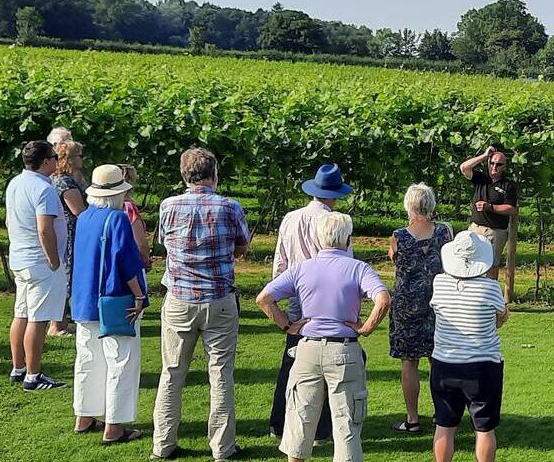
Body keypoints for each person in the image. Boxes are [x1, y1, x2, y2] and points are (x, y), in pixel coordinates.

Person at [256, 211, 391, 462]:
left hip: (307, 349)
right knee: (347, 424)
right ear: (348, 240)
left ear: (319, 239)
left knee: (299, 421)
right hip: (344, 350)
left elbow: (264, 299)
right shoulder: (358, 268)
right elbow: (383, 299)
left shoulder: (302, 268)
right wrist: (366, 328)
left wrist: (288, 325)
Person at [152, 147, 251, 461]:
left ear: (185, 175)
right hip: (219, 298)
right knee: (221, 375)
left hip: (180, 298)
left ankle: (163, 445)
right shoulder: (230, 207)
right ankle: (222, 448)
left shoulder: (168, 206)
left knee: (171, 373)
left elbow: (165, 244)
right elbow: (242, 246)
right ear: (214, 175)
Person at [269, 163, 354, 444]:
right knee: (330, 367)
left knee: (291, 363)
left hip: (295, 295)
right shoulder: (338, 223)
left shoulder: (290, 218)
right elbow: (344, 265)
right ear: (335, 193)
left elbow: (280, 262)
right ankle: (320, 430)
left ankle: (280, 423)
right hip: (326, 300)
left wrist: (281, 293)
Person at [70, 164, 149, 444]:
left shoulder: (84, 217)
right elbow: (126, 263)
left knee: (88, 359)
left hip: (84, 298)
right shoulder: (117, 220)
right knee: (121, 361)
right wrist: (139, 296)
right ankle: (114, 426)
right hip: (115, 298)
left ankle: (84, 415)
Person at [431, 231, 509, 462]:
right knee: (484, 428)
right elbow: (498, 318)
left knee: (444, 425)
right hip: (482, 366)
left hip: (445, 364)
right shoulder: (491, 287)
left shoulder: (439, 282)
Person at [388, 183, 453, 433]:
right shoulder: (445, 234)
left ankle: (412, 418)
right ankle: (441, 414)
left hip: (407, 305)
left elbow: (394, 258)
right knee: (437, 359)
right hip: (439, 302)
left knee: (409, 362)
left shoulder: (398, 235)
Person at [5, 140, 68, 391]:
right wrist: (53, 259)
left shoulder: (15, 183)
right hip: (40, 262)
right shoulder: (44, 190)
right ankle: (33, 374)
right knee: (38, 318)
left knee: (21, 313)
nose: (57, 160)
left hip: (20, 257)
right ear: (45, 161)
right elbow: (45, 229)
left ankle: (18, 367)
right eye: (54, 156)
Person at [459, 146, 519, 280]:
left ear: (504, 167)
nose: (494, 167)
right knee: (469, 261)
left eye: (499, 164)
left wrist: (490, 207)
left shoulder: (508, 185)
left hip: (495, 232)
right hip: (475, 228)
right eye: (492, 163)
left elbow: (511, 209)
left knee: (491, 265)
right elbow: (464, 168)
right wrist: (485, 155)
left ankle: (490, 295)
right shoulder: (481, 179)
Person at [49, 140, 87, 336]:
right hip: (71, 233)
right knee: (66, 277)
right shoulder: (66, 182)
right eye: (80, 155)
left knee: (65, 277)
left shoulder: (60, 179)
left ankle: (61, 322)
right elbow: (79, 211)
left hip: (66, 232)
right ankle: (57, 325)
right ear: (70, 159)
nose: (82, 159)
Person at [117, 164, 151, 270]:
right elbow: (140, 242)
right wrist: (146, 259)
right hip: (131, 262)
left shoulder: (105, 206)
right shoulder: (129, 208)